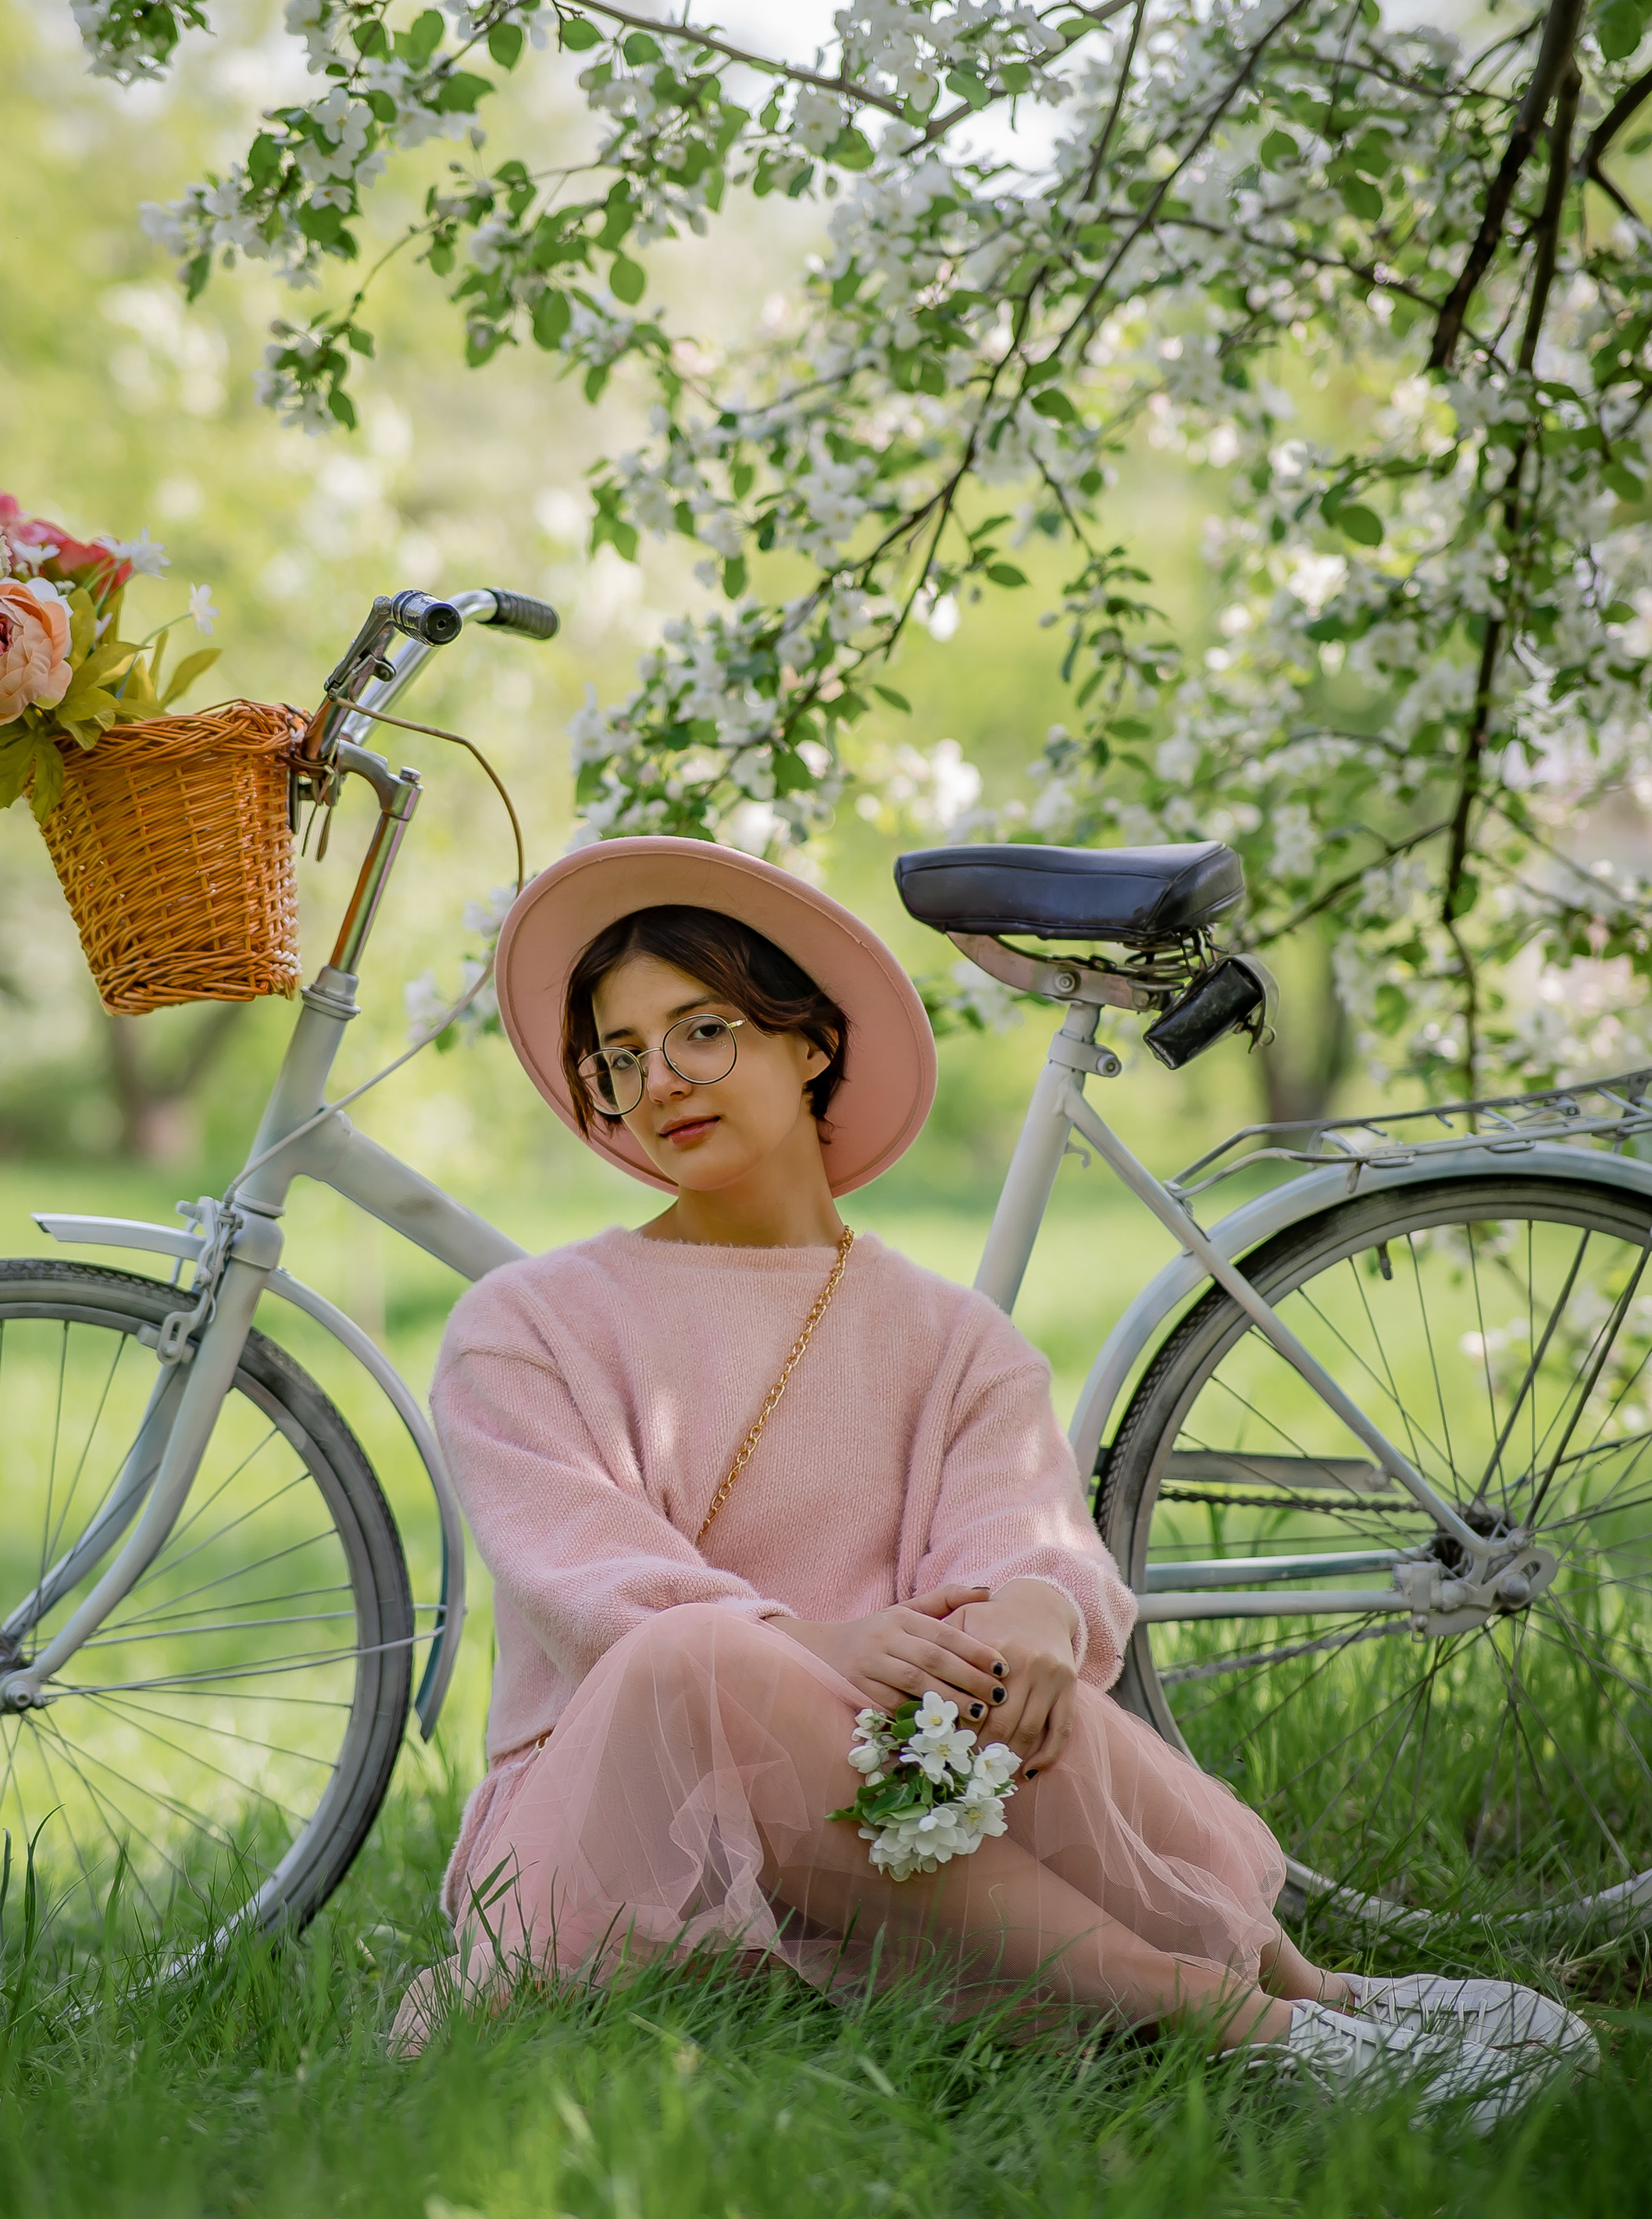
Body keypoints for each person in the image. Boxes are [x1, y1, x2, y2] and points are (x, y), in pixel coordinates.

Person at [398, 838, 1593, 2110]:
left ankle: (1313, 1995)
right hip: (616, 1832)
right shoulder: (525, 1324)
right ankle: (1227, 2021)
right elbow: (594, 1582)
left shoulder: (950, 1337)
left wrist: (1034, 1609)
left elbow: (1021, 1530)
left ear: (810, 1042)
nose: (658, 1084)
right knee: (701, 1658)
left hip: (889, 1812)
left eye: (702, 1030)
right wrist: (814, 1642)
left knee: (1025, 1691)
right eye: (621, 1058)